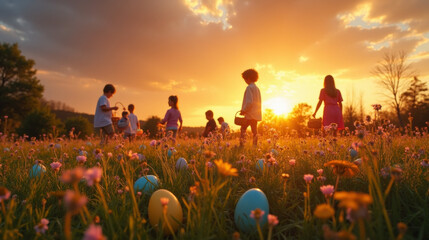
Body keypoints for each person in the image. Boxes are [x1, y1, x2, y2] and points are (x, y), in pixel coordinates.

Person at [240, 69, 262, 146]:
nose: (245, 81)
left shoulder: (249, 87)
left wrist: (243, 110)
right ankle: (255, 146)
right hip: (255, 115)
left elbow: (249, 102)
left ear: (248, 78)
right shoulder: (257, 88)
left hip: (249, 114)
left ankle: (241, 145)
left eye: (245, 79)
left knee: (243, 129)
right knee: (254, 131)